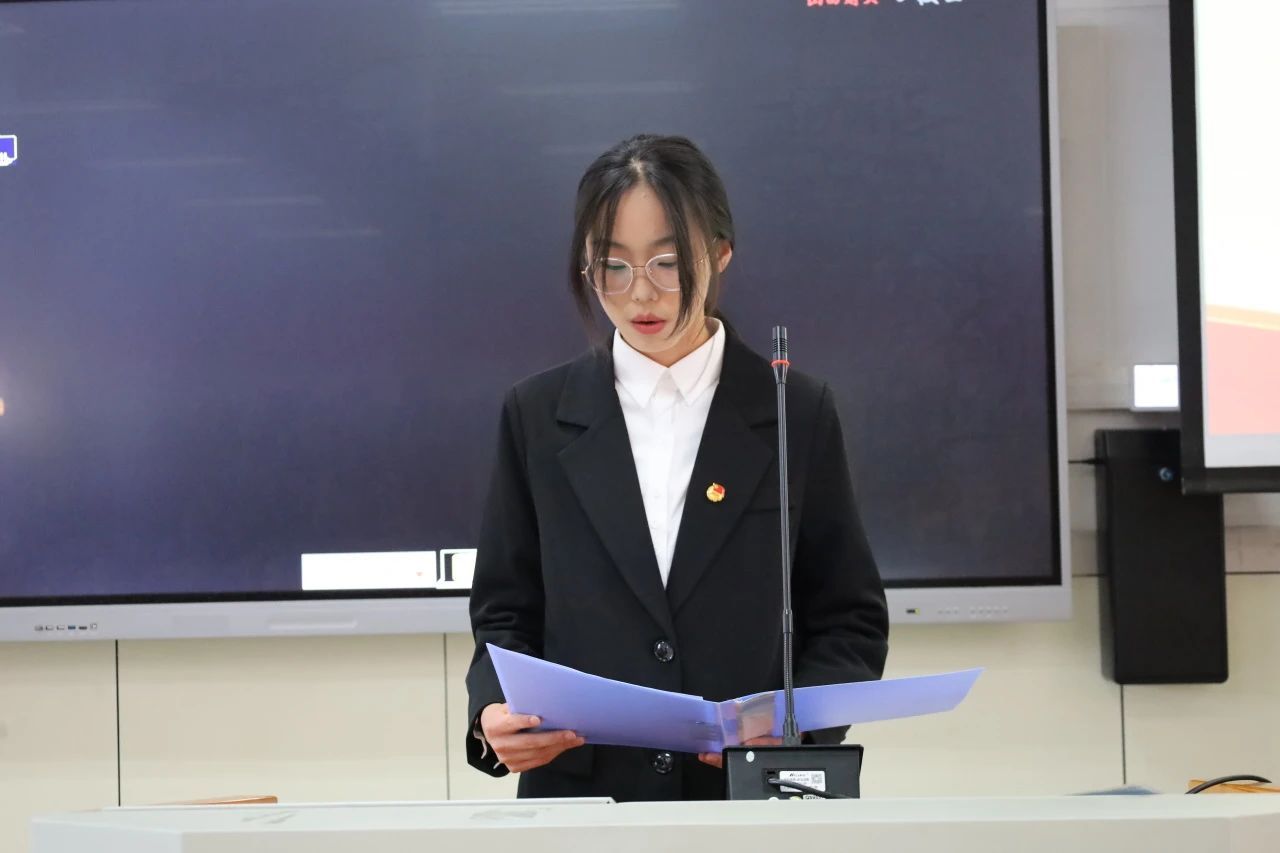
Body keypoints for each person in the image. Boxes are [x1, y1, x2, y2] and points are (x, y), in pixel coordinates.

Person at [464, 134, 888, 801]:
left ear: (719, 253)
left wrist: (797, 727)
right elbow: (505, 611)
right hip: (583, 803)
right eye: (613, 266)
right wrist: (493, 711)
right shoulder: (537, 414)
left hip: (746, 803)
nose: (641, 293)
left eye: (668, 262)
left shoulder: (794, 410)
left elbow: (848, 619)